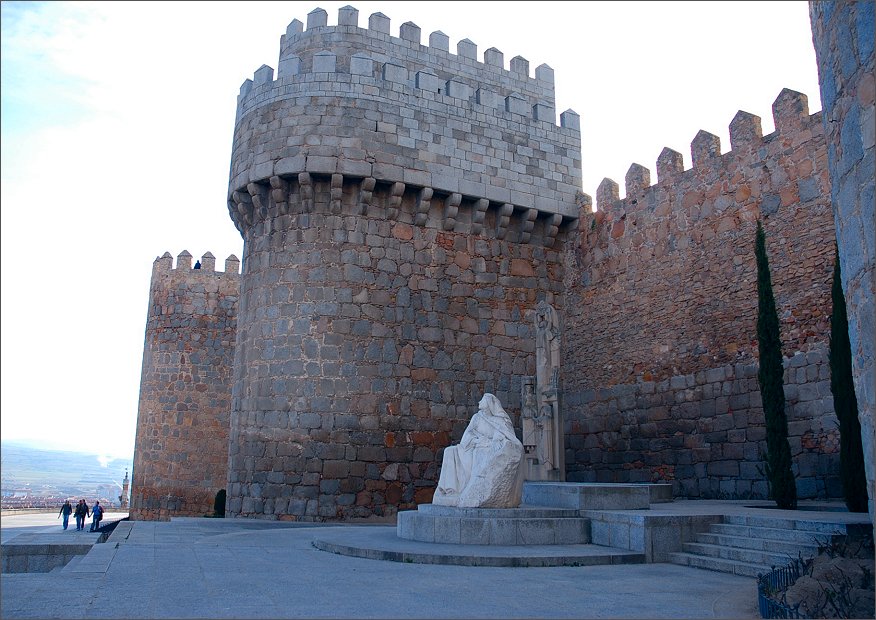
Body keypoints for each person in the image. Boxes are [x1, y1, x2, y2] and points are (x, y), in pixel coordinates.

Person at [433, 393, 524, 508]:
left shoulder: (501, 421)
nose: (480, 404)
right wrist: (477, 439)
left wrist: (490, 441)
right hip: (473, 446)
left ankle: (471, 490)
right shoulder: (477, 417)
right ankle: (450, 489)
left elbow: (507, 439)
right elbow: (468, 434)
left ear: (489, 405)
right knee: (449, 451)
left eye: (483, 402)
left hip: (486, 450)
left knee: (481, 457)